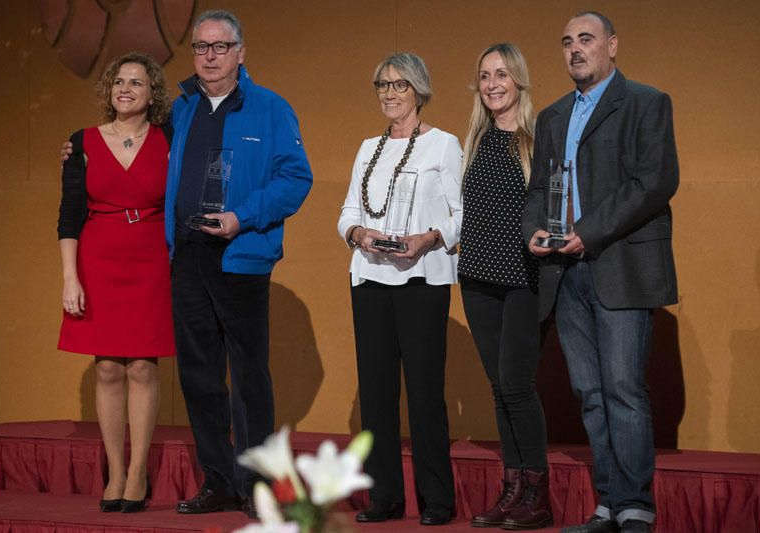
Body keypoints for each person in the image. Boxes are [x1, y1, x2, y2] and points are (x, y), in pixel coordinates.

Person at [523, 12, 679, 533]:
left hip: (620, 265)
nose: (575, 49)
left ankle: (636, 505)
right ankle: (609, 505)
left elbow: (654, 181)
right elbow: (539, 191)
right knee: (589, 392)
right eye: (566, 42)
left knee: (622, 388)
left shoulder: (646, 103)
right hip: (565, 271)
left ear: (612, 45)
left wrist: (588, 230)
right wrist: (533, 232)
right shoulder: (551, 117)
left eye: (585, 40)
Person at [166, 10, 312, 516]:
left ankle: (258, 484)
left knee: (248, 378)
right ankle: (220, 479)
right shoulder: (181, 109)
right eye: (201, 47)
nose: (209, 56)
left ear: (241, 52)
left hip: (241, 255)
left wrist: (242, 217)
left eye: (220, 47)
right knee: (199, 376)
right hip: (187, 256)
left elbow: (296, 179)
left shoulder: (270, 109)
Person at [337, 53, 462, 526]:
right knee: (376, 392)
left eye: (399, 85)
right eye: (383, 85)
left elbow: (461, 214)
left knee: (425, 393)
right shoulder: (368, 148)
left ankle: (437, 500)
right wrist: (359, 235)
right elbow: (348, 212)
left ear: (419, 90)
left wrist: (429, 237)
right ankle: (384, 497)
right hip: (369, 278)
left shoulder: (444, 145)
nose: (390, 94)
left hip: (421, 280)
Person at [57, 52, 174, 514]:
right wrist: (70, 276)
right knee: (107, 367)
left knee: (143, 366)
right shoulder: (80, 141)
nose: (125, 89)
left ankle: (139, 471)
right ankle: (115, 469)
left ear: (152, 95)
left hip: (151, 258)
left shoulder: (170, 138)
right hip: (97, 256)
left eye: (137, 83)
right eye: (119, 82)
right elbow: (68, 214)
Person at [458, 43, 551, 530]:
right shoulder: (472, 141)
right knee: (499, 387)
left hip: (523, 279)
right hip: (475, 278)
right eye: (485, 75)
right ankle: (512, 490)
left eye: (502, 75)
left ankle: (537, 494)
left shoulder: (537, 140)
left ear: (518, 80)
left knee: (517, 385)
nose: (493, 84)